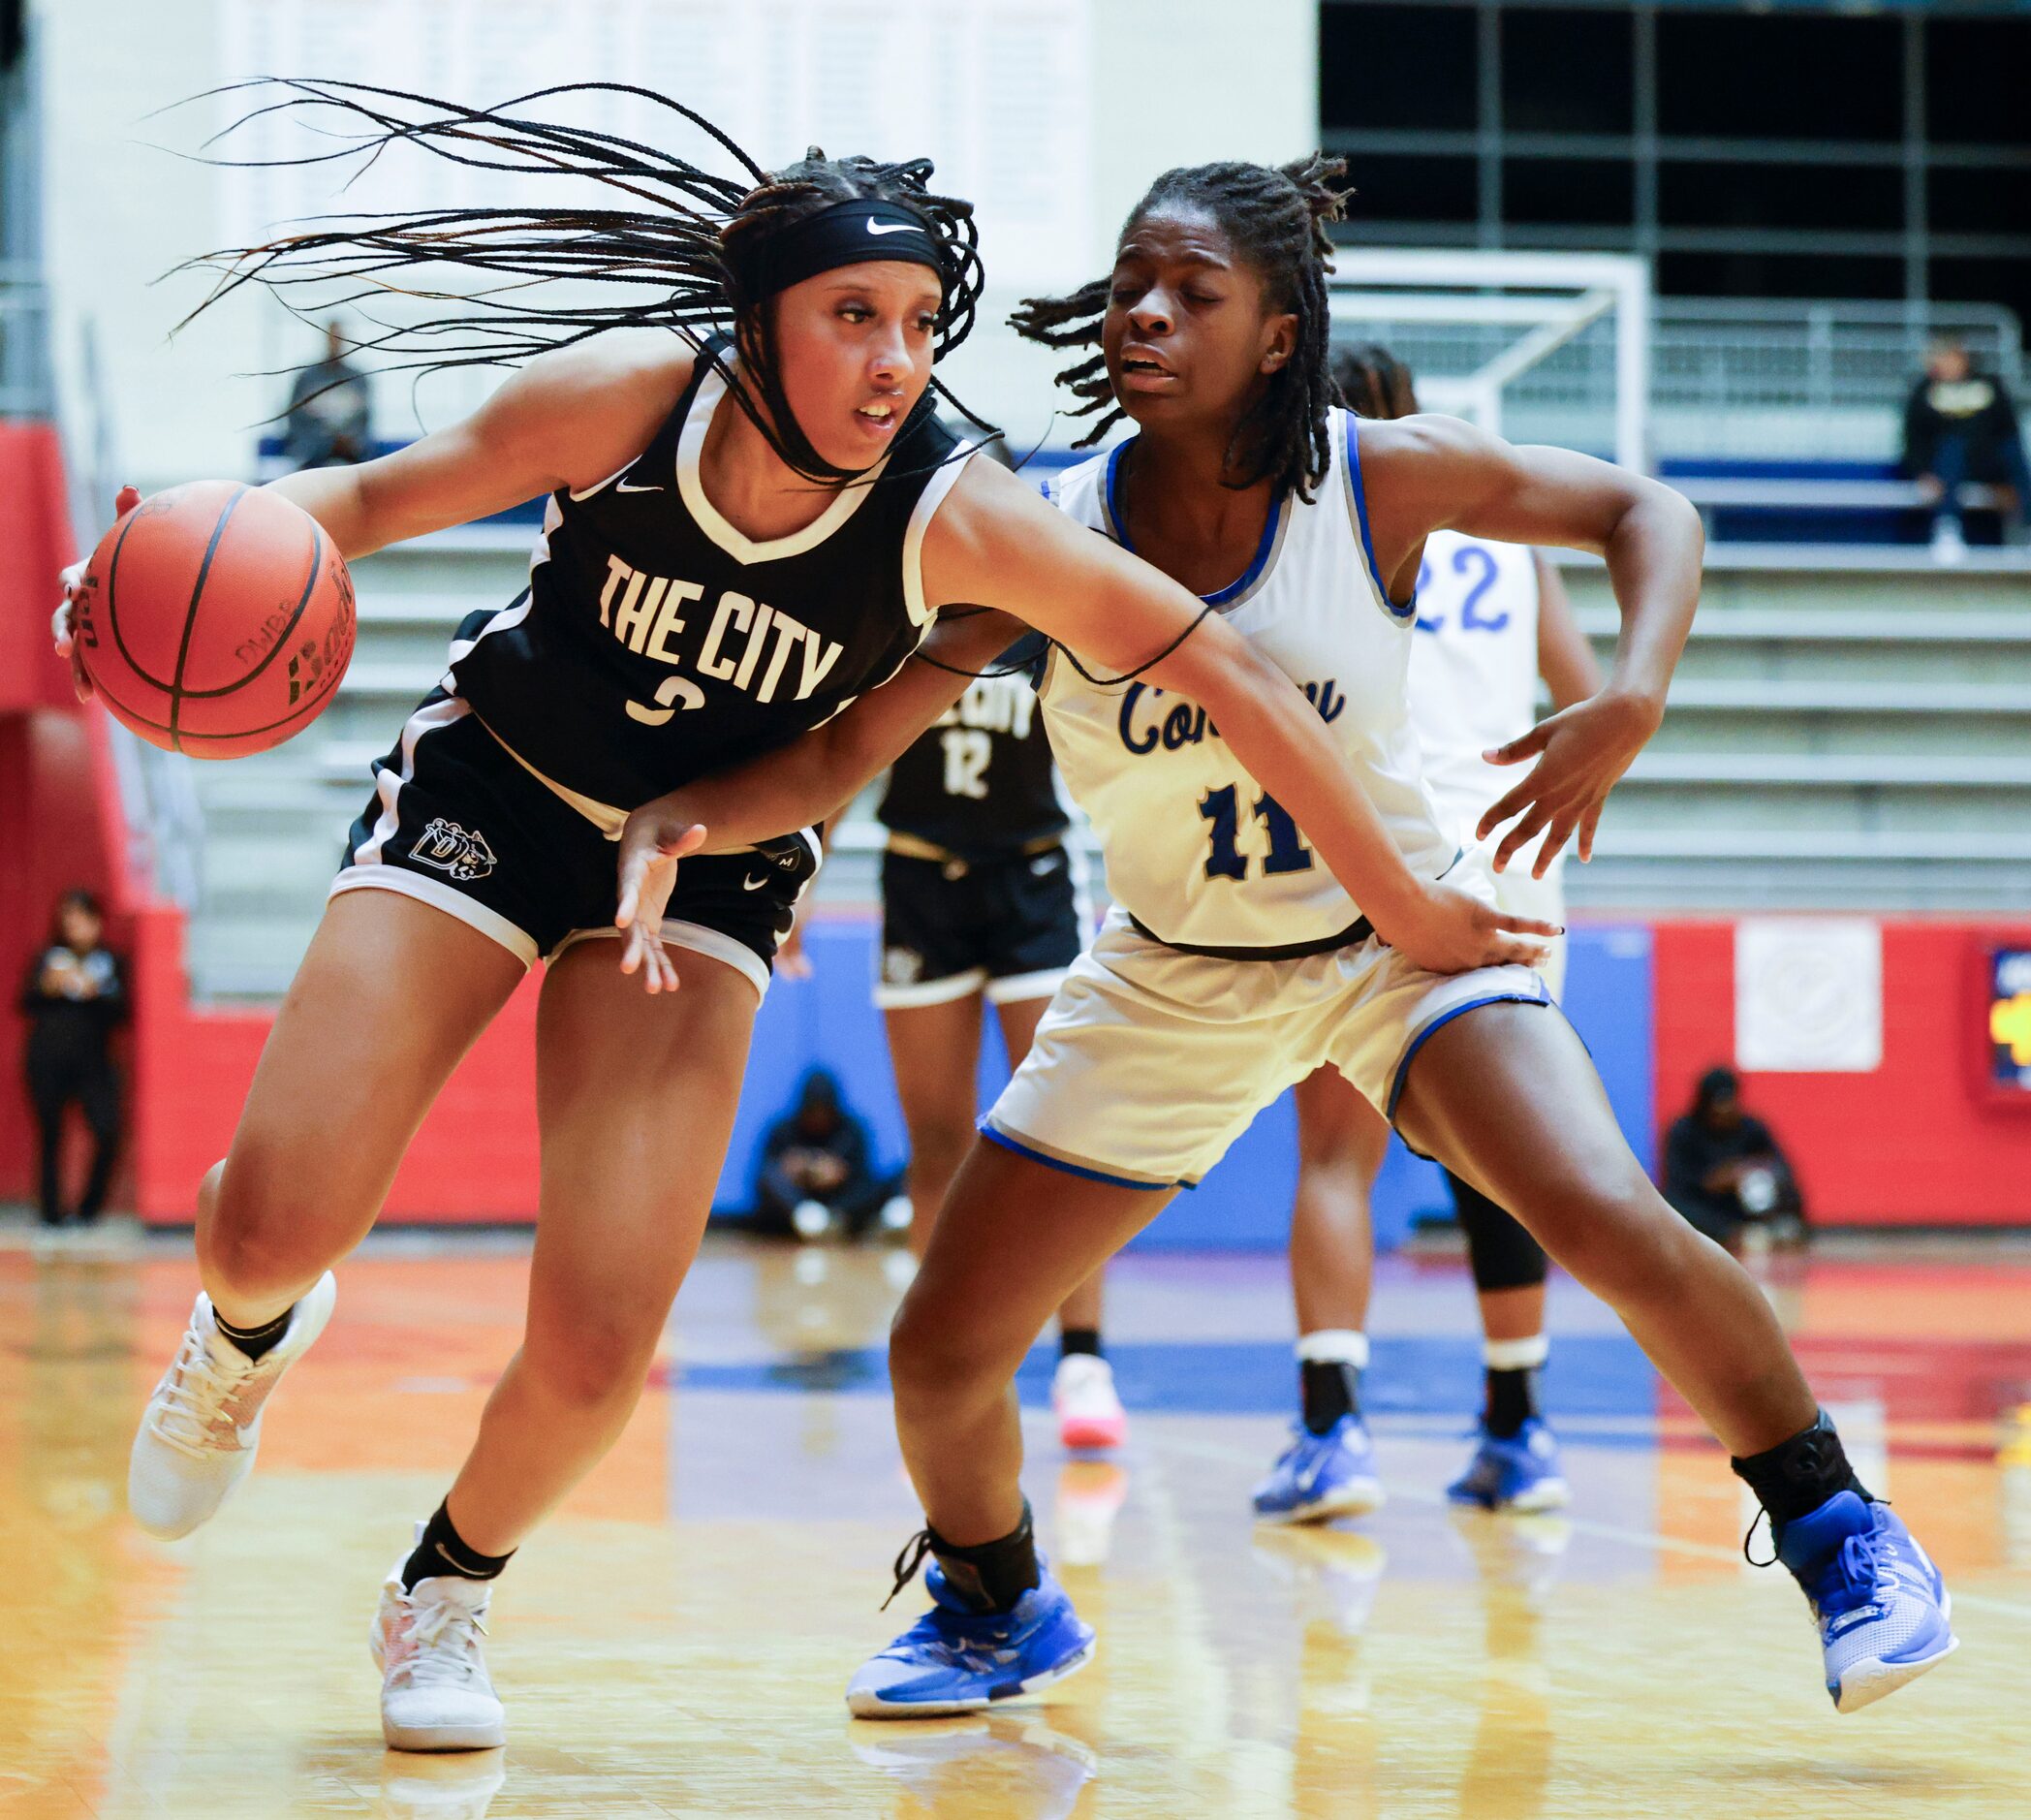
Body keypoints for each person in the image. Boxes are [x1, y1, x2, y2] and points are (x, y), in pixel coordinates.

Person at [55, 86, 1537, 1753]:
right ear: (757, 322)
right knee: (266, 1226)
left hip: (713, 865)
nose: (895, 359)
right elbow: (362, 507)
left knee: (606, 1328)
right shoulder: (627, 399)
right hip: (502, 784)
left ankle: (445, 1586)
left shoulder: (959, 510)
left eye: (916, 325)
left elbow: (1223, 662)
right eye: (853, 318)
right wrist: (163, 553)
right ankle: (248, 1330)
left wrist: (1406, 896)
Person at [612, 154, 1955, 1720]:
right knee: (938, 1351)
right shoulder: (1044, 526)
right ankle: (994, 1602)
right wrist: (691, 809)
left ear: (1274, 331)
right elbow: (849, 751)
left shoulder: (1372, 476)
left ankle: (1840, 1530)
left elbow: (1644, 507)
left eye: (1192, 290)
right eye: (1129, 284)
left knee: (1597, 1204)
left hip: (1393, 938)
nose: (1144, 314)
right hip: (1168, 969)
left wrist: (1632, 690)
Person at [1252, 344, 1605, 1525]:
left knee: (1334, 1157)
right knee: (1505, 1162)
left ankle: (1331, 1432)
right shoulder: (1505, 537)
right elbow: (1578, 688)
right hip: (1510, 865)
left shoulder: (1324, 521)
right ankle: (1518, 1430)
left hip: (1379, 854)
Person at [873, 641, 1125, 1450]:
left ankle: (1083, 1361)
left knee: (1067, 1127)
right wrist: (801, 877)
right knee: (936, 1142)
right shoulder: (899, 601)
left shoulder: (1046, 596)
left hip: (1033, 879)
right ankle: (938, 1358)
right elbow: (845, 741)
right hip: (917, 879)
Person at [18, 889, 127, 1231]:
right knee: (50, 1134)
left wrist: (98, 993)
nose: (75, 927)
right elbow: (24, 1002)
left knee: (107, 1129)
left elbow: (124, 1012)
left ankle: (88, 1210)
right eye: (69, 920)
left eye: (83, 919)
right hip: (48, 1059)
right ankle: (51, 1213)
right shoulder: (49, 958)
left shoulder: (110, 962)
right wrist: (48, 986)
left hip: (93, 1062)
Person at [1901, 333, 2030, 561]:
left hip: (1989, 461)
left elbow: (2007, 428)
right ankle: (1947, 527)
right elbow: (1915, 437)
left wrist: (2004, 480)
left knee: (2012, 450)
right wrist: (1922, 472)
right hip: (1947, 464)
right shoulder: (1925, 391)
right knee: (1953, 447)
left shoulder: (1989, 385)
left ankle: (2026, 528)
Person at [1663, 1067, 1806, 1251]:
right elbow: (1677, 1184)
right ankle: (1734, 1234)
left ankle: (1774, 1230)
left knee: (1786, 1194)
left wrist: (1750, 1169)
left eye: (1729, 1104)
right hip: (1704, 1207)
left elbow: (1782, 1168)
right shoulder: (1682, 1132)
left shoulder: (1752, 1129)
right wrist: (1714, 1181)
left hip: (1742, 1206)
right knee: (1675, 1209)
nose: (1724, 1114)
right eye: (1717, 1108)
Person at [755, 1067, 889, 1239]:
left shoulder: (851, 1131)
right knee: (769, 1178)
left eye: (824, 1111)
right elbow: (765, 1172)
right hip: (795, 1205)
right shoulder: (783, 1131)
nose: (818, 1118)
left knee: (890, 1180)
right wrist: (794, 1170)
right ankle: (809, 1219)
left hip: (839, 1204)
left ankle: (832, 1222)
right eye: (813, 1111)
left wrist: (840, 1172)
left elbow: (863, 1175)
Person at [282, 318, 373, 471]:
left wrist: (351, 442)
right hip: (310, 454)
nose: (335, 343)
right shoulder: (306, 378)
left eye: (339, 338)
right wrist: (324, 443)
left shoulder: (358, 379)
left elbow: (365, 420)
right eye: (332, 337)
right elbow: (295, 420)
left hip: (352, 456)